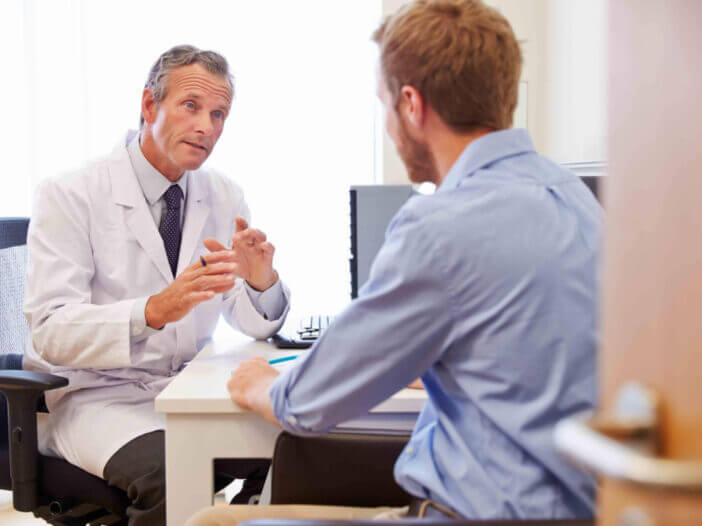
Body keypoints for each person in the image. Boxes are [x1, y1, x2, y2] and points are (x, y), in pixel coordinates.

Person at [188, 0, 601, 524]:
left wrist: (258, 382)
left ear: (411, 104)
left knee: (210, 520)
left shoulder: (440, 225)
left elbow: (308, 403)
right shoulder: (579, 200)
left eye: (384, 104)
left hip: (465, 513)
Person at [23, 45, 290, 525]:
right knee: (171, 474)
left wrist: (260, 280)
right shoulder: (69, 194)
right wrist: (151, 311)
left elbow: (249, 318)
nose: (207, 126)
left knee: (289, 444)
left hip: (184, 390)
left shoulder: (223, 194)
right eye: (191, 106)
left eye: (219, 114)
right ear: (149, 105)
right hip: (98, 399)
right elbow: (50, 331)